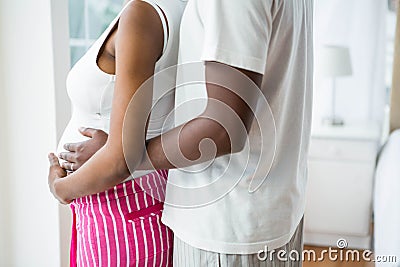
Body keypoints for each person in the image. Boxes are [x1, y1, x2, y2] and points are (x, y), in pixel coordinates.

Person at [55, 0, 313, 266]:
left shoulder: (147, 14)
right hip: (268, 207)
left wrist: (117, 158)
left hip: (226, 222)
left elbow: (224, 128)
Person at [47, 0, 187, 266]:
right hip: (131, 204)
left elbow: (121, 160)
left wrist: (61, 188)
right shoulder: (176, 9)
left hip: (119, 210)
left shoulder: (142, 14)